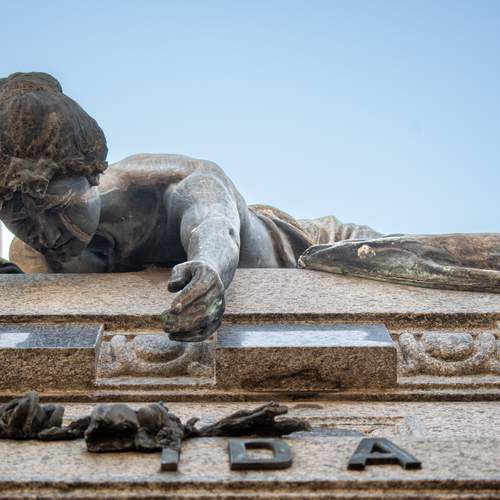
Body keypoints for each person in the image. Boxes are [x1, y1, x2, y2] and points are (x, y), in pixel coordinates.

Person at [1, 73, 498, 342]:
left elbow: (214, 227)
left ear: (91, 176)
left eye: (56, 206)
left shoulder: (169, 180)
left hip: (311, 247)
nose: (43, 231)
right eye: (19, 217)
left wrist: (209, 270)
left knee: (438, 262)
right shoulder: (32, 256)